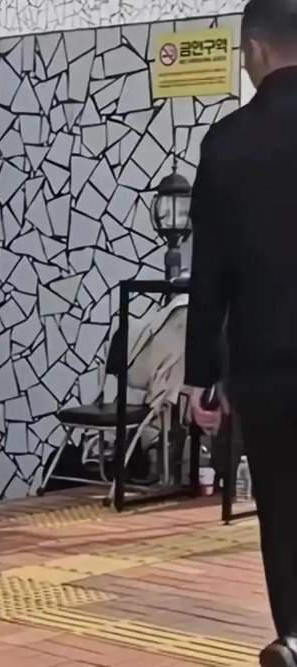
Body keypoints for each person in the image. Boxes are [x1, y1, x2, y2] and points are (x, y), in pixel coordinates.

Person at [186, 1, 297, 665]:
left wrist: (201, 375)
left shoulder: (227, 142)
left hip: (265, 361)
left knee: (281, 505)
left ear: (254, 47)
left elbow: (210, 273)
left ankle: (295, 633)